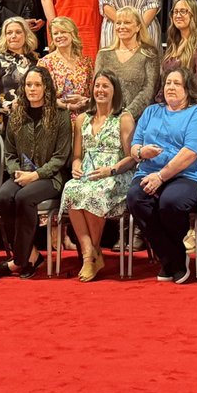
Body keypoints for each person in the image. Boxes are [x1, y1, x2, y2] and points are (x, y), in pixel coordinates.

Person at [127, 66, 197, 284]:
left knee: (170, 201)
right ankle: (173, 258)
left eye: (177, 83)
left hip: (187, 175)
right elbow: (134, 145)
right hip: (148, 171)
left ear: (188, 88)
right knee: (136, 198)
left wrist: (161, 176)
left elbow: (191, 152)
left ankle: (169, 260)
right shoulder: (151, 111)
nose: (171, 87)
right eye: (167, 83)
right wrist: (140, 152)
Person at [0, 67, 72, 278]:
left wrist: (35, 176)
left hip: (50, 177)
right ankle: (31, 255)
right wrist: (16, 172)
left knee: (24, 198)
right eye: (28, 85)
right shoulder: (17, 114)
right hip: (21, 173)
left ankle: (19, 261)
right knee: (4, 197)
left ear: (46, 87)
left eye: (37, 84)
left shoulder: (60, 115)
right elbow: (9, 153)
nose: (32, 89)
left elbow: (60, 157)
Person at [60, 70, 136, 281]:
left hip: (115, 174)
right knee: (72, 189)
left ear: (114, 91)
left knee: (95, 193)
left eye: (105, 86)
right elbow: (77, 155)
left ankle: (90, 257)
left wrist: (110, 170)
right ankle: (90, 254)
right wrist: (76, 165)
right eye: (97, 86)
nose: (100, 90)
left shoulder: (124, 118)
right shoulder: (82, 119)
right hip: (88, 173)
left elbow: (132, 158)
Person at [93, 6, 160, 121]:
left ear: (138, 27)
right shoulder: (104, 54)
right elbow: (98, 88)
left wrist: (127, 115)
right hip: (107, 119)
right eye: (118, 23)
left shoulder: (149, 54)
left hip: (139, 120)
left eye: (127, 23)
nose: (122, 27)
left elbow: (149, 89)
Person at [0, 16, 40, 130]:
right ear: (4, 37)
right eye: (9, 33)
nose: (13, 36)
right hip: (6, 125)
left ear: (26, 35)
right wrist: (10, 105)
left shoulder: (36, 62)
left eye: (18, 32)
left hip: (35, 123)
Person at [162, 0, 197, 106]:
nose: (178, 15)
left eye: (183, 11)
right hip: (169, 106)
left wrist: (179, 107)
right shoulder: (173, 44)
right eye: (175, 11)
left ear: (194, 15)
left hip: (191, 109)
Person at [37, 16, 93, 112]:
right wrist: (66, 106)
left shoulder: (86, 62)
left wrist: (84, 101)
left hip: (84, 115)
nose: (59, 36)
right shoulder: (45, 63)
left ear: (72, 34)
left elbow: (92, 94)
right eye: (55, 33)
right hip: (58, 116)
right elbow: (41, 97)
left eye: (63, 32)